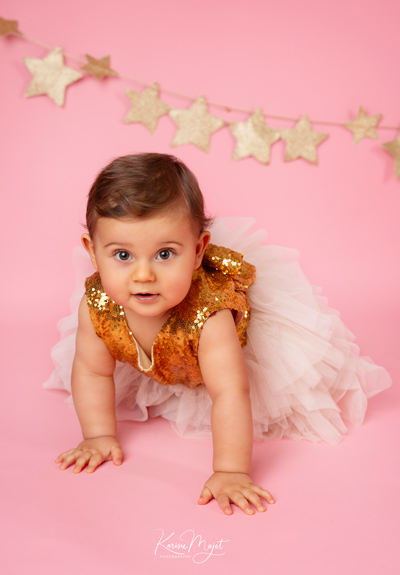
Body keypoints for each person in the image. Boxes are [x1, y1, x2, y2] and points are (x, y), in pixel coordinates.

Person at [45, 153, 391, 516]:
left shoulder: (210, 317)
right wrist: (98, 435)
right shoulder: (97, 304)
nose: (143, 275)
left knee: (232, 379)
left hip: (223, 354)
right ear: (94, 254)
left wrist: (231, 470)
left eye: (164, 254)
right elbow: (92, 371)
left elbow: (229, 392)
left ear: (197, 251)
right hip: (172, 355)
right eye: (122, 255)